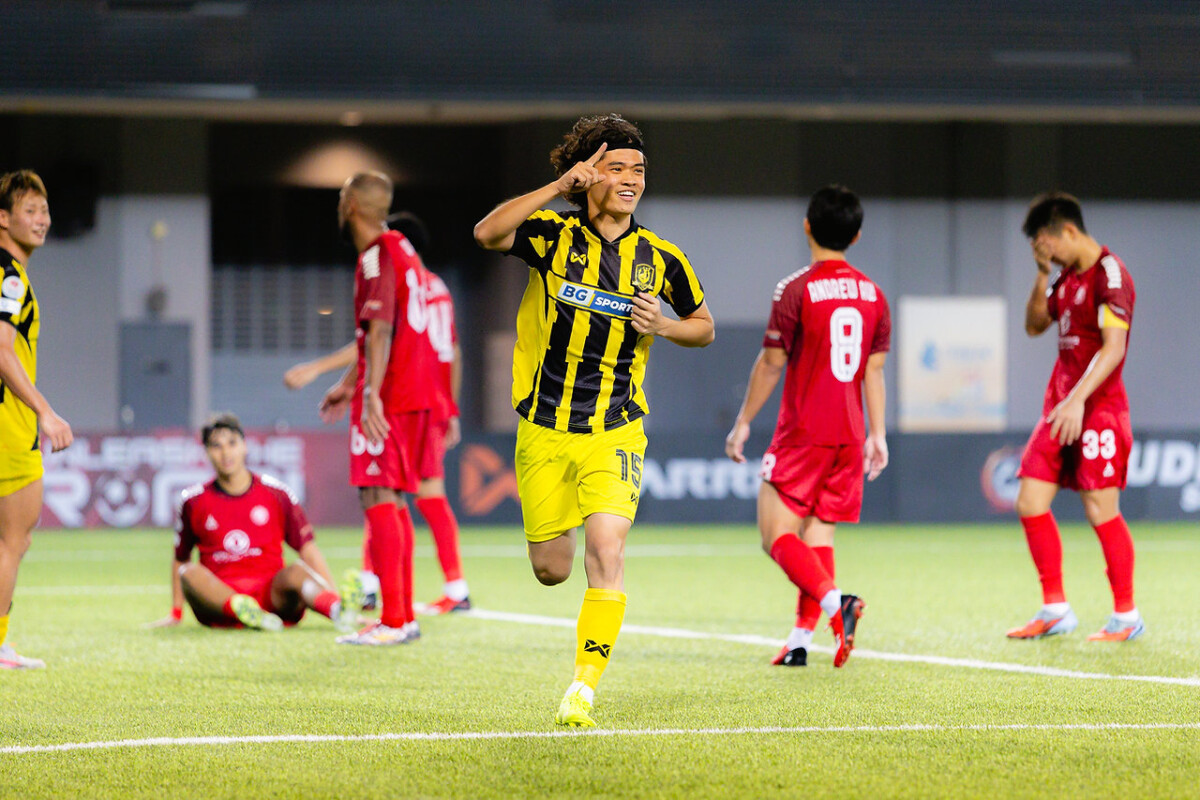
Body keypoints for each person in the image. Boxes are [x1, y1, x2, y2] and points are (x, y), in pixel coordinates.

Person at [474, 113, 714, 727]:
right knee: (553, 569)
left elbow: (703, 327)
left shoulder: (661, 257)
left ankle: (583, 686)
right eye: (616, 168)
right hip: (546, 428)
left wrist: (665, 325)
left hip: (616, 427)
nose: (631, 180)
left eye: (638, 170)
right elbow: (487, 233)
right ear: (589, 176)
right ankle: (568, 559)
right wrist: (558, 187)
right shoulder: (553, 235)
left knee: (607, 548)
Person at [725, 185, 889, 669]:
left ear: (807, 227)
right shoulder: (874, 294)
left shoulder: (795, 289)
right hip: (850, 432)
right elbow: (873, 372)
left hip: (804, 430)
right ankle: (800, 641)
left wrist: (743, 423)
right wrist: (876, 435)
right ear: (856, 235)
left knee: (775, 533)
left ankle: (838, 604)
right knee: (818, 536)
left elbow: (772, 362)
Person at [285, 213, 470, 615]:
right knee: (400, 493)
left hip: (403, 396)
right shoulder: (435, 285)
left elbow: (379, 337)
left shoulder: (400, 277)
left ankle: (404, 598)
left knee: (383, 488)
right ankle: (405, 588)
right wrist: (451, 408)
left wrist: (332, 376)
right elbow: (452, 351)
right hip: (432, 399)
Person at [1007, 192, 1142, 642]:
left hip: (1098, 408)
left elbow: (1114, 348)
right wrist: (1043, 273)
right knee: (1030, 500)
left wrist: (1079, 399)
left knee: (1100, 508)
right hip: (1061, 406)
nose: (1045, 252)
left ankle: (1126, 616)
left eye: (1046, 245)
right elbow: (1033, 325)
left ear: (1067, 230)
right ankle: (1055, 608)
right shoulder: (1063, 278)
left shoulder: (1111, 274)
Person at [318, 173, 444, 645]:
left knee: (377, 497)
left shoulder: (376, 255)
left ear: (350, 203)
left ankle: (394, 620)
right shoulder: (405, 250)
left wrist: (368, 393)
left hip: (390, 397)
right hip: (413, 393)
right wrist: (350, 384)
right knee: (390, 499)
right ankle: (401, 615)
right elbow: (379, 333)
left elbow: (381, 330)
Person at [151, 414, 356, 631]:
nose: (225, 453)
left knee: (297, 571)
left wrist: (330, 592)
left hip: (272, 598)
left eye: (232, 443)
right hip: (219, 600)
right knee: (189, 572)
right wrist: (175, 613)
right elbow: (180, 559)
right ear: (207, 452)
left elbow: (308, 549)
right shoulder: (193, 501)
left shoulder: (277, 494)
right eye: (216, 446)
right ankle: (243, 609)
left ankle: (337, 609)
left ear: (244, 446)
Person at [0, 170, 73, 669]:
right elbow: (2, 350)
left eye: (45, 211)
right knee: (14, 538)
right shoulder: (9, 276)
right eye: (31, 210)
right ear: (3, 219)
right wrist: (44, 411)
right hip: (8, 427)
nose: (42, 220)